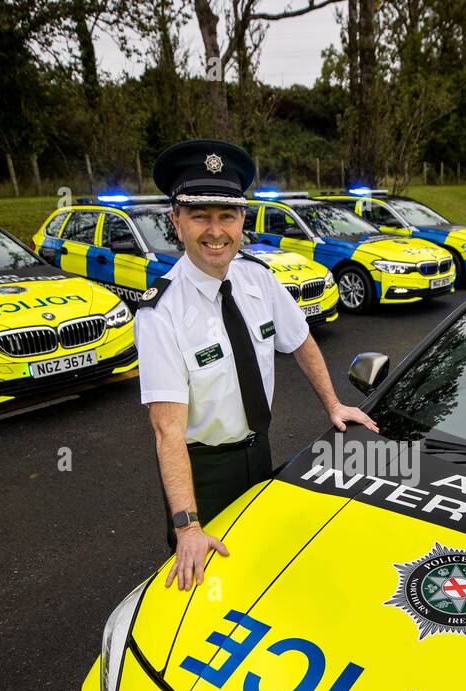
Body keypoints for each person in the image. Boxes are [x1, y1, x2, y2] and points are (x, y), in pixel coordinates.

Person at [134, 139, 378, 591]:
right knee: (205, 588)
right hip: (203, 472)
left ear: (242, 220)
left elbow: (301, 341)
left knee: (260, 572)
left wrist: (333, 405)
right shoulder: (160, 312)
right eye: (199, 216)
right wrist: (187, 525)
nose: (215, 231)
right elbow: (167, 430)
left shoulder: (258, 278)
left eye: (227, 215)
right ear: (176, 221)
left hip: (261, 453)